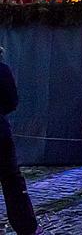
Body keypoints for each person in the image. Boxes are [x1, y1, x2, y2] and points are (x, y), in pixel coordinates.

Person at [0, 48, 41, 235]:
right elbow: (12, 101)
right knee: (12, 182)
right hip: (0, 134)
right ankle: (26, 227)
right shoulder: (2, 69)